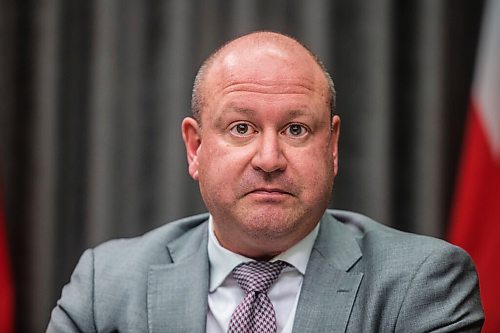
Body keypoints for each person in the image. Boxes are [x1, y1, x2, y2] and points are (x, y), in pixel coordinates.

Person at [47, 31, 484, 332]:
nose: (270, 159)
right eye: (241, 128)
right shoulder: (106, 286)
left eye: (296, 130)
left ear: (331, 147)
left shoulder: (422, 284)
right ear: (195, 148)